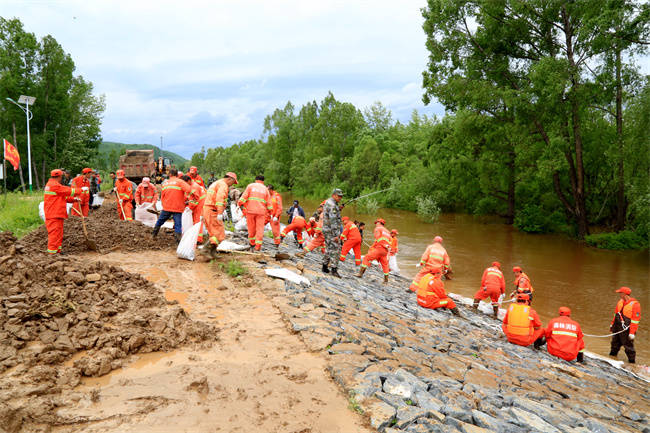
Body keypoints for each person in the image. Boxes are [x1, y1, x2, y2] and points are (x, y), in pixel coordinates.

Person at [44, 169, 81, 254]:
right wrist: (81, 190)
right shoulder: (54, 185)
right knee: (54, 234)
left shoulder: (53, 184)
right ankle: (52, 254)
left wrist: (74, 199)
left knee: (58, 234)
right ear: (60, 176)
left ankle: (57, 251)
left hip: (56, 213)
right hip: (54, 214)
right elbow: (68, 191)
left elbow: (62, 196)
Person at [202, 172, 238, 256]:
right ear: (230, 179)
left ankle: (212, 252)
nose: (232, 185)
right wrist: (220, 212)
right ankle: (205, 250)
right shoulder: (223, 185)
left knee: (214, 233)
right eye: (233, 182)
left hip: (208, 209)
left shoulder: (217, 183)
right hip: (213, 210)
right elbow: (220, 199)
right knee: (219, 234)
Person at [152, 168, 191, 243]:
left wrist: (164, 205)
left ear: (169, 174)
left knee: (160, 221)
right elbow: (189, 190)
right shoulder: (180, 182)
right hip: (178, 207)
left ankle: (153, 235)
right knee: (178, 225)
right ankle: (178, 242)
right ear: (177, 174)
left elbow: (162, 196)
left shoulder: (165, 183)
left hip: (167, 206)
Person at [238, 175, 272, 251]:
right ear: (263, 181)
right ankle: (258, 246)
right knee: (260, 229)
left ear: (255, 180)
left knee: (251, 228)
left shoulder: (250, 186)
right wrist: (270, 212)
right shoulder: (265, 189)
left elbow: (243, 197)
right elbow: (269, 203)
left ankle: (252, 243)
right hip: (261, 212)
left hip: (250, 211)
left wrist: (239, 204)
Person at [609, 286, 641, 364]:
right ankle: (611, 358)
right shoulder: (620, 302)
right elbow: (616, 314)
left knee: (628, 347)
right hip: (617, 326)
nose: (619, 294)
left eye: (620, 293)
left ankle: (632, 363)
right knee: (614, 344)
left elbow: (635, 321)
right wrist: (612, 324)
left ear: (624, 294)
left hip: (626, 328)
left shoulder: (635, 305)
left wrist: (632, 333)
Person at [357, 218, 391, 284]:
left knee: (366, 258)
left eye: (376, 223)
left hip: (379, 248)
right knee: (385, 265)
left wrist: (375, 247)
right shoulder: (388, 232)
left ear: (379, 223)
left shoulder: (378, 228)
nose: (376, 224)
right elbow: (389, 242)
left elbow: (378, 238)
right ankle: (386, 281)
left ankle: (360, 274)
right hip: (385, 250)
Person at [321, 188, 344, 277]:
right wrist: (335, 235)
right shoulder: (333, 206)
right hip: (331, 231)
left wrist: (338, 209)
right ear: (333, 195)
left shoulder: (328, 202)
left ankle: (324, 266)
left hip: (326, 229)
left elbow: (330, 213)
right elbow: (333, 220)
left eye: (341, 196)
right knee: (336, 249)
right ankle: (334, 269)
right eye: (339, 196)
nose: (340, 198)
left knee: (328, 247)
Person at [185, 174, 207, 244]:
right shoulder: (192, 185)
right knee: (197, 220)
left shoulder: (194, 187)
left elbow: (195, 200)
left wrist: (190, 207)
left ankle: (198, 239)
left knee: (198, 220)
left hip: (201, 204)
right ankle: (197, 236)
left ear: (188, 181)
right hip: (200, 203)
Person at [267, 185, 283, 249]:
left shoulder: (277, 196)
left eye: (267, 190)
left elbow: (280, 208)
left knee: (275, 231)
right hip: (267, 215)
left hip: (274, 216)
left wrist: (276, 216)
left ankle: (277, 244)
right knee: (259, 226)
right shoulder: (267, 195)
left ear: (271, 190)